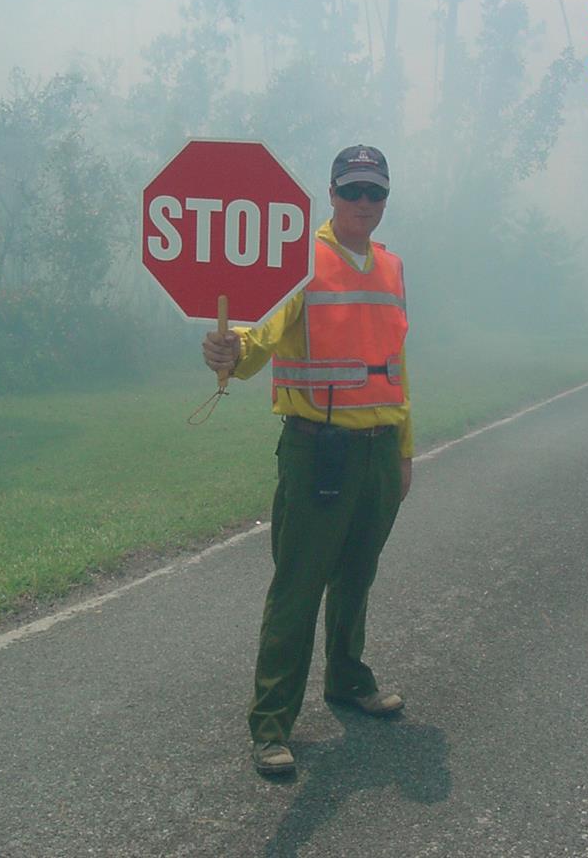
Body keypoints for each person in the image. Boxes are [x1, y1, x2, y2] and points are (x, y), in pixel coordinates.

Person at [203, 144, 413, 777]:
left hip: (380, 450)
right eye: (352, 190)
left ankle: (347, 680)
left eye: (374, 191)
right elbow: (261, 335)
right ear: (332, 193)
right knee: (298, 588)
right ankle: (271, 724)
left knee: (357, 576)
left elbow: (398, 367)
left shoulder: (393, 267)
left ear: (385, 198)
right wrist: (231, 352)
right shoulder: (301, 262)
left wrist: (404, 450)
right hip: (317, 450)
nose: (363, 202)